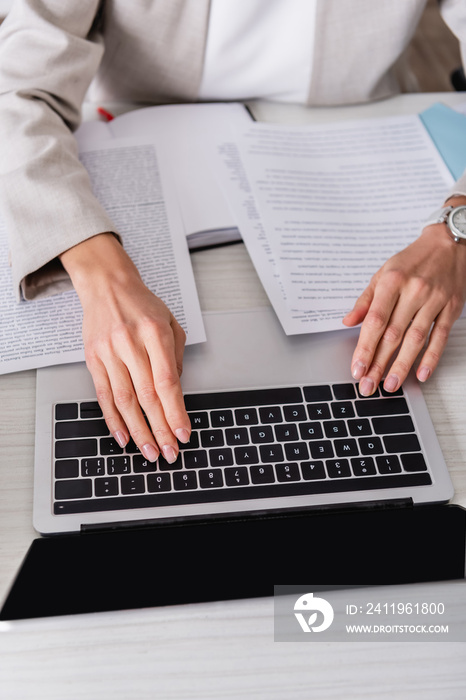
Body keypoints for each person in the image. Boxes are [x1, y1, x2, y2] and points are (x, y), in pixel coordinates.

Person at [0, 0, 466, 466]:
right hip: (133, 129)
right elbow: (17, 94)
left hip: (356, 136)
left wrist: (457, 228)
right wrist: (103, 276)